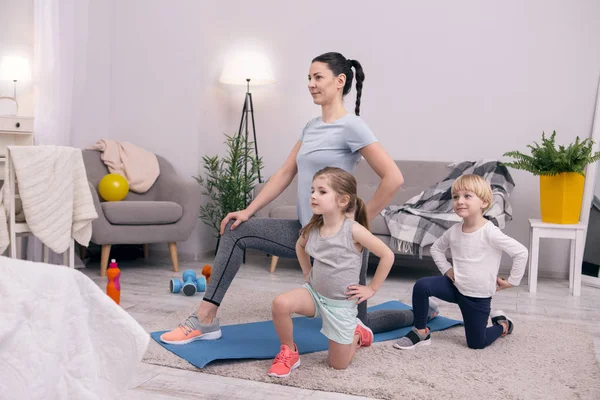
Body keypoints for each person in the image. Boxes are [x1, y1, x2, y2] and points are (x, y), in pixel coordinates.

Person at [160, 51, 436, 345]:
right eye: (309, 78)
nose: (311, 84)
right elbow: (284, 173)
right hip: (306, 231)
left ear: (340, 81)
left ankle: (421, 314)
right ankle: (204, 320)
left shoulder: (352, 126)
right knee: (235, 231)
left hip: (340, 245)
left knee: (359, 324)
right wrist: (248, 210)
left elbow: (393, 178)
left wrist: (356, 223)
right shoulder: (311, 126)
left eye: (318, 77)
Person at [268, 167, 394, 377]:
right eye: (312, 191)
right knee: (280, 304)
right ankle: (289, 351)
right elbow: (300, 246)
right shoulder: (313, 228)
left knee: (337, 365)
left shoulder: (353, 230)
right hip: (314, 294)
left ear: (343, 200)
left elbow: (387, 255)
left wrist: (372, 288)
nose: (313, 196)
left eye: (322, 191)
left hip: (340, 305)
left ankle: (357, 332)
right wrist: (307, 271)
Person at [393, 174, 528, 350]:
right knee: (421, 286)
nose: (459, 201)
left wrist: (512, 281)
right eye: (456, 197)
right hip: (456, 287)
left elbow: (521, 252)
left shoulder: (490, 232)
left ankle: (503, 325)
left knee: (476, 343)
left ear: (484, 203)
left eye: (467, 196)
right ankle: (421, 331)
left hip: (477, 298)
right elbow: (436, 249)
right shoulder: (454, 231)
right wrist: (447, 270)